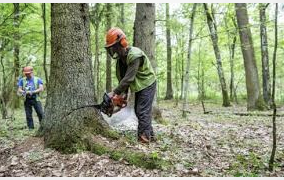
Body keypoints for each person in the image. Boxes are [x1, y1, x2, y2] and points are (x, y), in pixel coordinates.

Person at [105, 27, 157, 143]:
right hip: (139, 85)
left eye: (114, 47)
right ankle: (151, 136)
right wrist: (120, 98)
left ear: (122, 43)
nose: (113, 50)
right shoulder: (120, 62)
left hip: (148, 83)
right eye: (111, 48)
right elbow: (123, 82)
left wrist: (113, 93)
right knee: (139, 111)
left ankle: (144, 139)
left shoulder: (134, 55)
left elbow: (128, 79)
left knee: (142, 111)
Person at [17, 66, 44, 130]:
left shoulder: (37, 79)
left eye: (28, 73)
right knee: (28, 114)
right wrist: (24, 92)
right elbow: (19, 89)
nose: (27, 75)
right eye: (26, 73)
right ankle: (31, 128)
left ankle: (42, 127)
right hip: (27, 99)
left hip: (36, 98)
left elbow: (41, 89)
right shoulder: (22, 80)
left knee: (40, 113)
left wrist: (33, 92)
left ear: (32, 72)